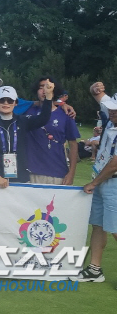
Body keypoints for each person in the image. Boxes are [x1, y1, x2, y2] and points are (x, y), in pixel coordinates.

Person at [72, 92, 117, 283]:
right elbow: (99, 96)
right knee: (98, 225)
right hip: (102, 179)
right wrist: (94, 90)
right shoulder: (110, 122)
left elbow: (115, 163)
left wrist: (94, 182)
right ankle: (94, 269)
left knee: (115, 228)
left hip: (112, 182)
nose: (112, 111)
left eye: (116, 109)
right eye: (112, 108)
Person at [0, 84, 53, 187]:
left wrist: (48, 97)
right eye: (2, 100)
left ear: (16, 103)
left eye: (10, 100)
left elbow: (43, 118)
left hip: (19, 177)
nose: (6, 103)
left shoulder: (23, 121)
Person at [26, 77, 80, 185]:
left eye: (48, 87)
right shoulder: (27, 111)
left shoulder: (65, 114)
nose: (44, 90)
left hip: (57, 173)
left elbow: (73, 144)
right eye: (41, 87)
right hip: (30, 173)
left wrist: (71, 173)